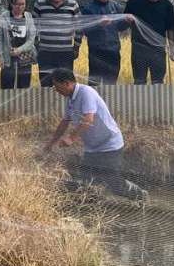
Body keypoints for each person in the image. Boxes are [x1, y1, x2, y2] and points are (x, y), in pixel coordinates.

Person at [44, 67, 127, 195]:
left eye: (57, 86)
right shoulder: (71, 99)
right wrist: (50, 143)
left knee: (114, 184)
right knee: (85, 182)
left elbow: (88, 119)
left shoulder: (86, 92)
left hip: (110, 145)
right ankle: (92, 209)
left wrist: (71, 138)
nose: (56, 90)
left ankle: (140, 195)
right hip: (93, 148)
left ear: (67, 83)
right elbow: (64, 122)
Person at [124, 0, 174, 85]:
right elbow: (123, 24)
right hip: (139, 49)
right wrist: (126, 20)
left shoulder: (167, 5)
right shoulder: (134, 2)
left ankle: (157, 103)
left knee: (158, 81)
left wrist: (172, 49)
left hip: (158, 50)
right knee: (139, 81)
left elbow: (170, 28)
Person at [32, 0, 81, 87]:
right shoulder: (39, 4)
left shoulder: (72, 5)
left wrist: (76, 47)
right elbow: (32, 27)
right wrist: (36, 46)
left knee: (66, 86)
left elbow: (79, 27)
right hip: (45, 53)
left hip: (66, 53)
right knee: (46, 85)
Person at [80, 0, 129, 85]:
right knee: (94, 83)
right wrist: (98, 24)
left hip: (113, 50)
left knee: (111, 83)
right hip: (96, 51)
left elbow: (120, 27)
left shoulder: (115, 6)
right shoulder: (88, 9)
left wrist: (127, 22)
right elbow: (84, 30)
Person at [0, 0, 37, 89]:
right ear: (12, 4)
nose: (20, 7)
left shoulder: (28, 16)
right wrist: (0, 56)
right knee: (7, 87)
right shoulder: (3, 17)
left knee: (23, 87)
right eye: (17, 4)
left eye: (22, 4)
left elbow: (31, 39)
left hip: (25, 58)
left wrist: (19, 50)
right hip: (8, 59)